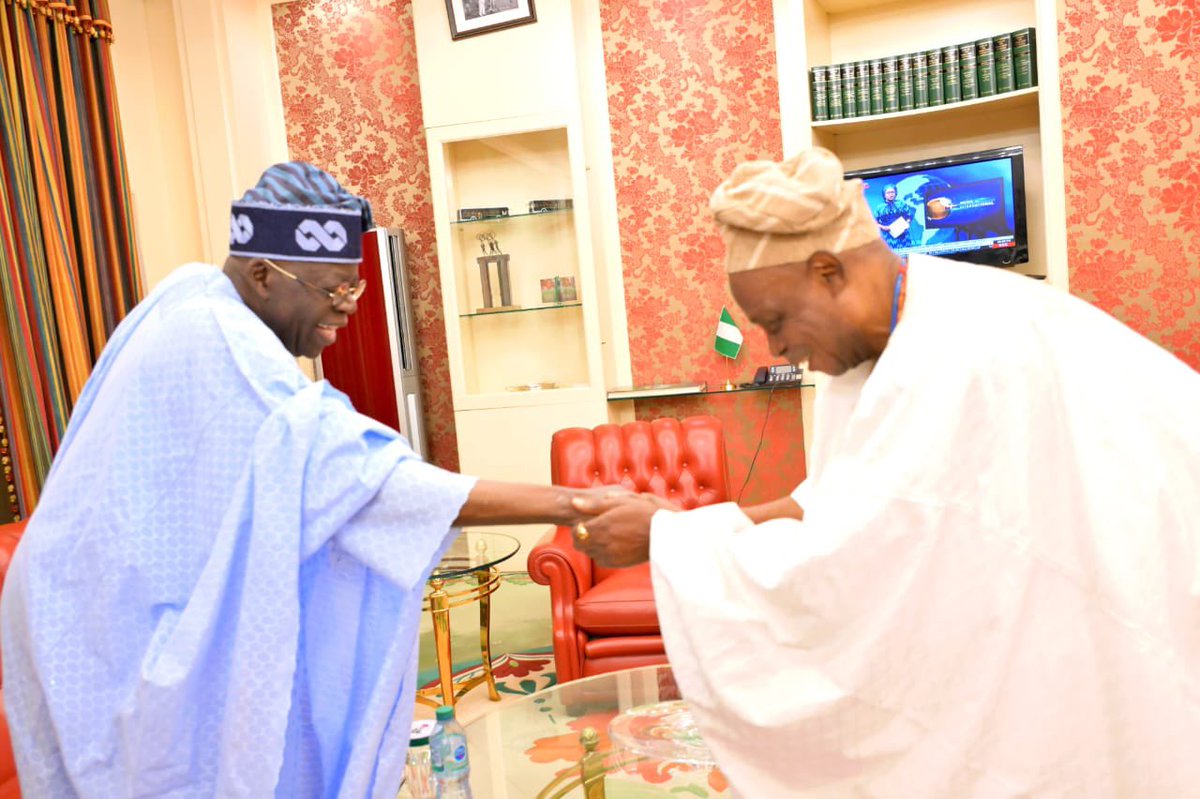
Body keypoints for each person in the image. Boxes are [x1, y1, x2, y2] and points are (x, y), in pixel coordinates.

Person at [570, 148, 1200, 796]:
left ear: (827, 270)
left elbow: (861, 561)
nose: (776, 349)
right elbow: (836, 503)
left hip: (1127, 617)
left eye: (776, 322)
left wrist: (665, 539)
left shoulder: (960, 351)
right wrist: (683, 524)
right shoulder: (881, 343)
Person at [0, 162, 606, 798]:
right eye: (330, 292)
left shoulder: (193, 294)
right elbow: (361, 477)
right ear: (263, 274)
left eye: (355, 289)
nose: (344, 311)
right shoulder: (219, 337)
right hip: (114, 627)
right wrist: (574, 501)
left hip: (96, 604)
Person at [873, 182, 914, 248]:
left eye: (892, 192)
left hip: (903, 235)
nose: (891, 194)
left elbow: (909, 216)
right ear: (884, 194)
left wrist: (907, 223)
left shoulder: (901, 203)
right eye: (888, 193)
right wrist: (883, 227)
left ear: (896, 193)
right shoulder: (880, 207)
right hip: (888, 236)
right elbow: (874, 222)